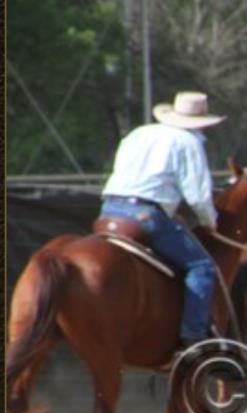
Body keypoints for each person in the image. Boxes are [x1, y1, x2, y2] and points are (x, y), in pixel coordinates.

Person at [100, 91, 224, 353]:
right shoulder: (189, 142)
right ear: (200, 123)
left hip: (109, 210)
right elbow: (198, 196)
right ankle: (193, 337)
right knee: (201, 267)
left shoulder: (138, 134)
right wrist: (210, 223)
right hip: (145, 216)